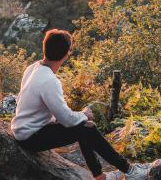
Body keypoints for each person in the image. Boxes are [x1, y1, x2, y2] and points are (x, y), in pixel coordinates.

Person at [11, 29, 150, 180]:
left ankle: (100, 176)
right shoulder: (49, 80)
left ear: (45, 47)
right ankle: (130, 171)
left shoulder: (33, 68)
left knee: (85, 126)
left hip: (24, 129)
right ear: (66, 54)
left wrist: (79, 118)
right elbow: (67, 119)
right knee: (86, 129)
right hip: (31, 137)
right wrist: (84, 114)